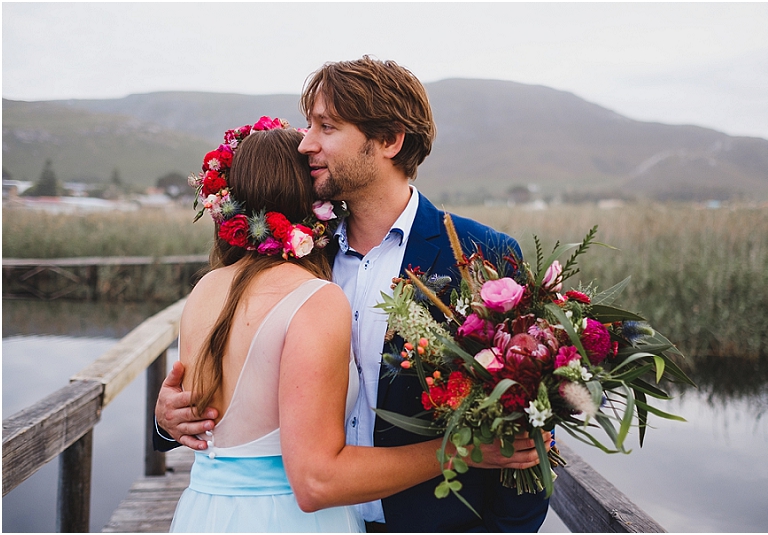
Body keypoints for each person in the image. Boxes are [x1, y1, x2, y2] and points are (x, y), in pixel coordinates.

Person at [156, 57, 552, 532]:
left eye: (327, 126)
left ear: (389, 140)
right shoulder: (299, 257)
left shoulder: (483, 255)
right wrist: (168, 420)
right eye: (309, 125)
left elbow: (528, 429)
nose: (306, 143)